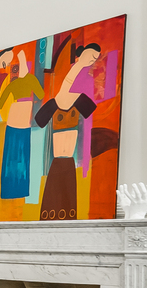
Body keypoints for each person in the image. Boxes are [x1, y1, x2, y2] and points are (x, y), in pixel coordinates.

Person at [33, 43, 101, 220]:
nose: (93, 60)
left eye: (95, 58)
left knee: (66, 198)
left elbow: (90, 112)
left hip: (69, 158)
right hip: (56, 159)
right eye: (90, 56)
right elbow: (40, 120)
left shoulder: (82, 95)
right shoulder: (56, 102)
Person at [0, 46, 45, 200]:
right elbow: (41, 94)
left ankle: (10, 191)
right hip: (23, 123)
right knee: (22, 158)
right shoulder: (30, 80)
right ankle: (20, 191)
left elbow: (0, 103)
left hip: (14, 121)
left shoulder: (13, 84)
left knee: (12, 158)